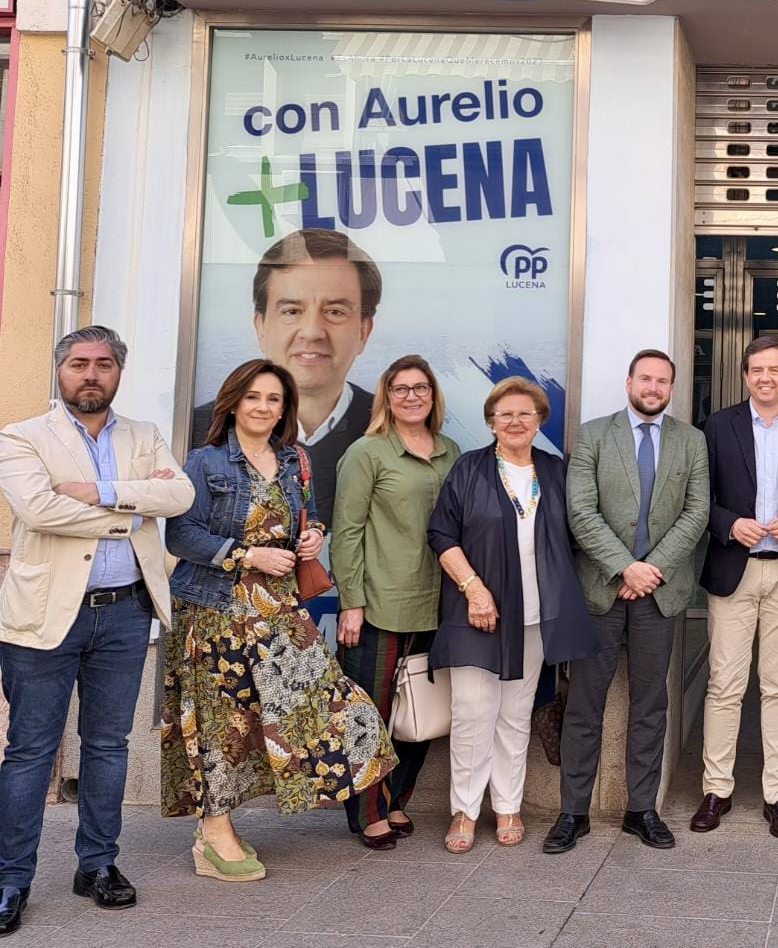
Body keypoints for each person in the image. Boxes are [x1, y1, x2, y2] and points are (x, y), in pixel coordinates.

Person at [162, 358, 396, 882]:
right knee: (222, 724)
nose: (264, 407)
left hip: (279, 610)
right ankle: (215, 832)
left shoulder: (294, 460)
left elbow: (302, 522)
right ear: (234, 403)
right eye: (254, 398)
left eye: (274, 399)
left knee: (333, 702)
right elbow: (180, 535)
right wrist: (246, 555)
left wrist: (309, 539)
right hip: (218, 608)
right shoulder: (205, 462)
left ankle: (271, 800)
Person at [0, 327, 195, 935]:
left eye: (103, 364)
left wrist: (101, 491)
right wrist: (130, 513)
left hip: (126, 611)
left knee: (109, 746)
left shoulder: (143, 435)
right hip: (45, 617)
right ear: (60, 371)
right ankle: (11, 878)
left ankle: (98, 865)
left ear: (118, 373)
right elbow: (39, 510)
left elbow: (181, 494)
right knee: (30, 750)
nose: (91, 374)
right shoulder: (22, 437)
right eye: (79, 363)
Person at [544, 350, 709, 854]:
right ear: (629, 381)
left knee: (650, 704)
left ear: (672, 389)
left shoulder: (691, 440)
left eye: (663, 381)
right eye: (646, 378)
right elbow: (580, 510)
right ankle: (573, 811)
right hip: (601, 589)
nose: (653, 387)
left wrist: (649, 570)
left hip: (659, 594)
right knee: (584, 706)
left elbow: (697, 510)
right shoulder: (594, 435)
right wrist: (625, 566)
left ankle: (642, 809)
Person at [427, 376, 598, 854]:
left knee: (516, 714)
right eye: (505, 414)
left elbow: (577, 534)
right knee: (471, 713)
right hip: (477, 612)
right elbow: (442, 535)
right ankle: (464, 810)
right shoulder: (469, 469)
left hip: (536, 616)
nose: (516, 421)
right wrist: (474, 591)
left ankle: (508, 804)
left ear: (540, 419)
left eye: (525, 413)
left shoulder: (555, 470)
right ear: (491, 422)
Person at [692, 336, 778, 840]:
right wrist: (728, 523)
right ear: (745, 375)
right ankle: (716, 789)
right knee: (724, 686)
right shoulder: (718, 426)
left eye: (775, 370)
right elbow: (695, 497)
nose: (765, 378)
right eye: (756, 370)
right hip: (734, 570)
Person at [332, 355, 461, 849]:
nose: (411, 396)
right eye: (400, 388)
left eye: (421, 388)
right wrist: (351, 601)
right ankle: (367, 812)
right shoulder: (367, 453)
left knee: (420, 712)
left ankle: (397, 798)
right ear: (387, 396)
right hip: (379, 604)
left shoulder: (451, 451)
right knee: (370, 714)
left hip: (437, 604)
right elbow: (346, 533)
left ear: (433, 396)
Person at [191, 228, 383, 529]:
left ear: (363, 331)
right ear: (261, 326)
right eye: (292, 310)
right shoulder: (199, 430)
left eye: (334, 311)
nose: (311, 331)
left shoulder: (386, 426)